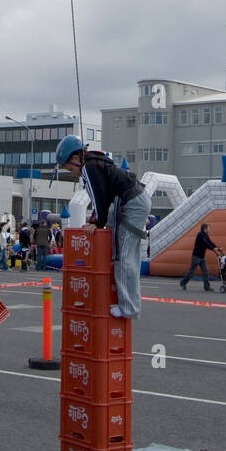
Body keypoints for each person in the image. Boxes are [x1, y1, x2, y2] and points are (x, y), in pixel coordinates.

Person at [54, 137, 152, 319]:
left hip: (131, 203)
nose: (72, 172)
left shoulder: (88, 168)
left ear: (76, 158)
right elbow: (104, 197)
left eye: (70, 168)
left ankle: (128, 308)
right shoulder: (96, 162)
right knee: (127, 255)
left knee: (123, 257)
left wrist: (97, 222)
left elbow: (99, 197)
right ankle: (128, 304)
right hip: (133, 199)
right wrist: (97, 220)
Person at [179, 223, 219, 292]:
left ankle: (207, 287)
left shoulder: (206, 235)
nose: (210, 229)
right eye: (209, 228)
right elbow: (206, 243)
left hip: (202, 257)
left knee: (206, 271)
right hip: (196, 257)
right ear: (205, 229)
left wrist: (217, 248)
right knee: (192, 272)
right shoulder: (200, 235)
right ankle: (183, 283)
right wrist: (213, 249)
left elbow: (210, 242)